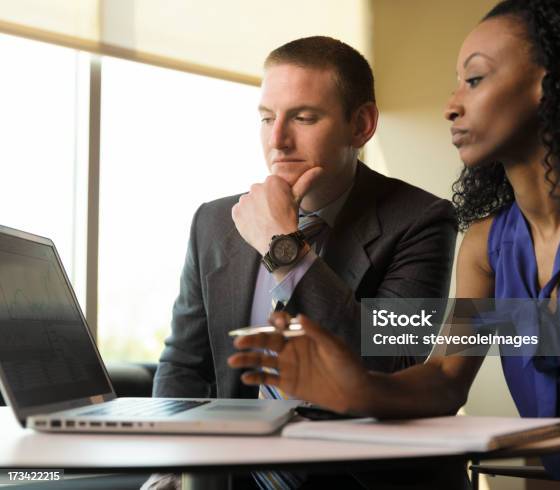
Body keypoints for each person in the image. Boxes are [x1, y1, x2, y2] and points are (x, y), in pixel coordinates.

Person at [228, 1, 560, 488]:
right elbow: (447, 380)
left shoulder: (425, 222)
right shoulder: (488, 246)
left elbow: (392, 347)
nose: (451, 104)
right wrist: (357, 388)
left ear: (549, 85)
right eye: (267, 118)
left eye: (474, 80)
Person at [152, 36, 457, 402]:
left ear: (361, 124)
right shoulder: (213, 221)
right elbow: (184, 365)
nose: (277, 140)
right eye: (267, 118)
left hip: (350, 455)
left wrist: (282, 246)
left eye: (303, 118)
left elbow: (392, 361)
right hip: (234, 454)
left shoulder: (421, 219)